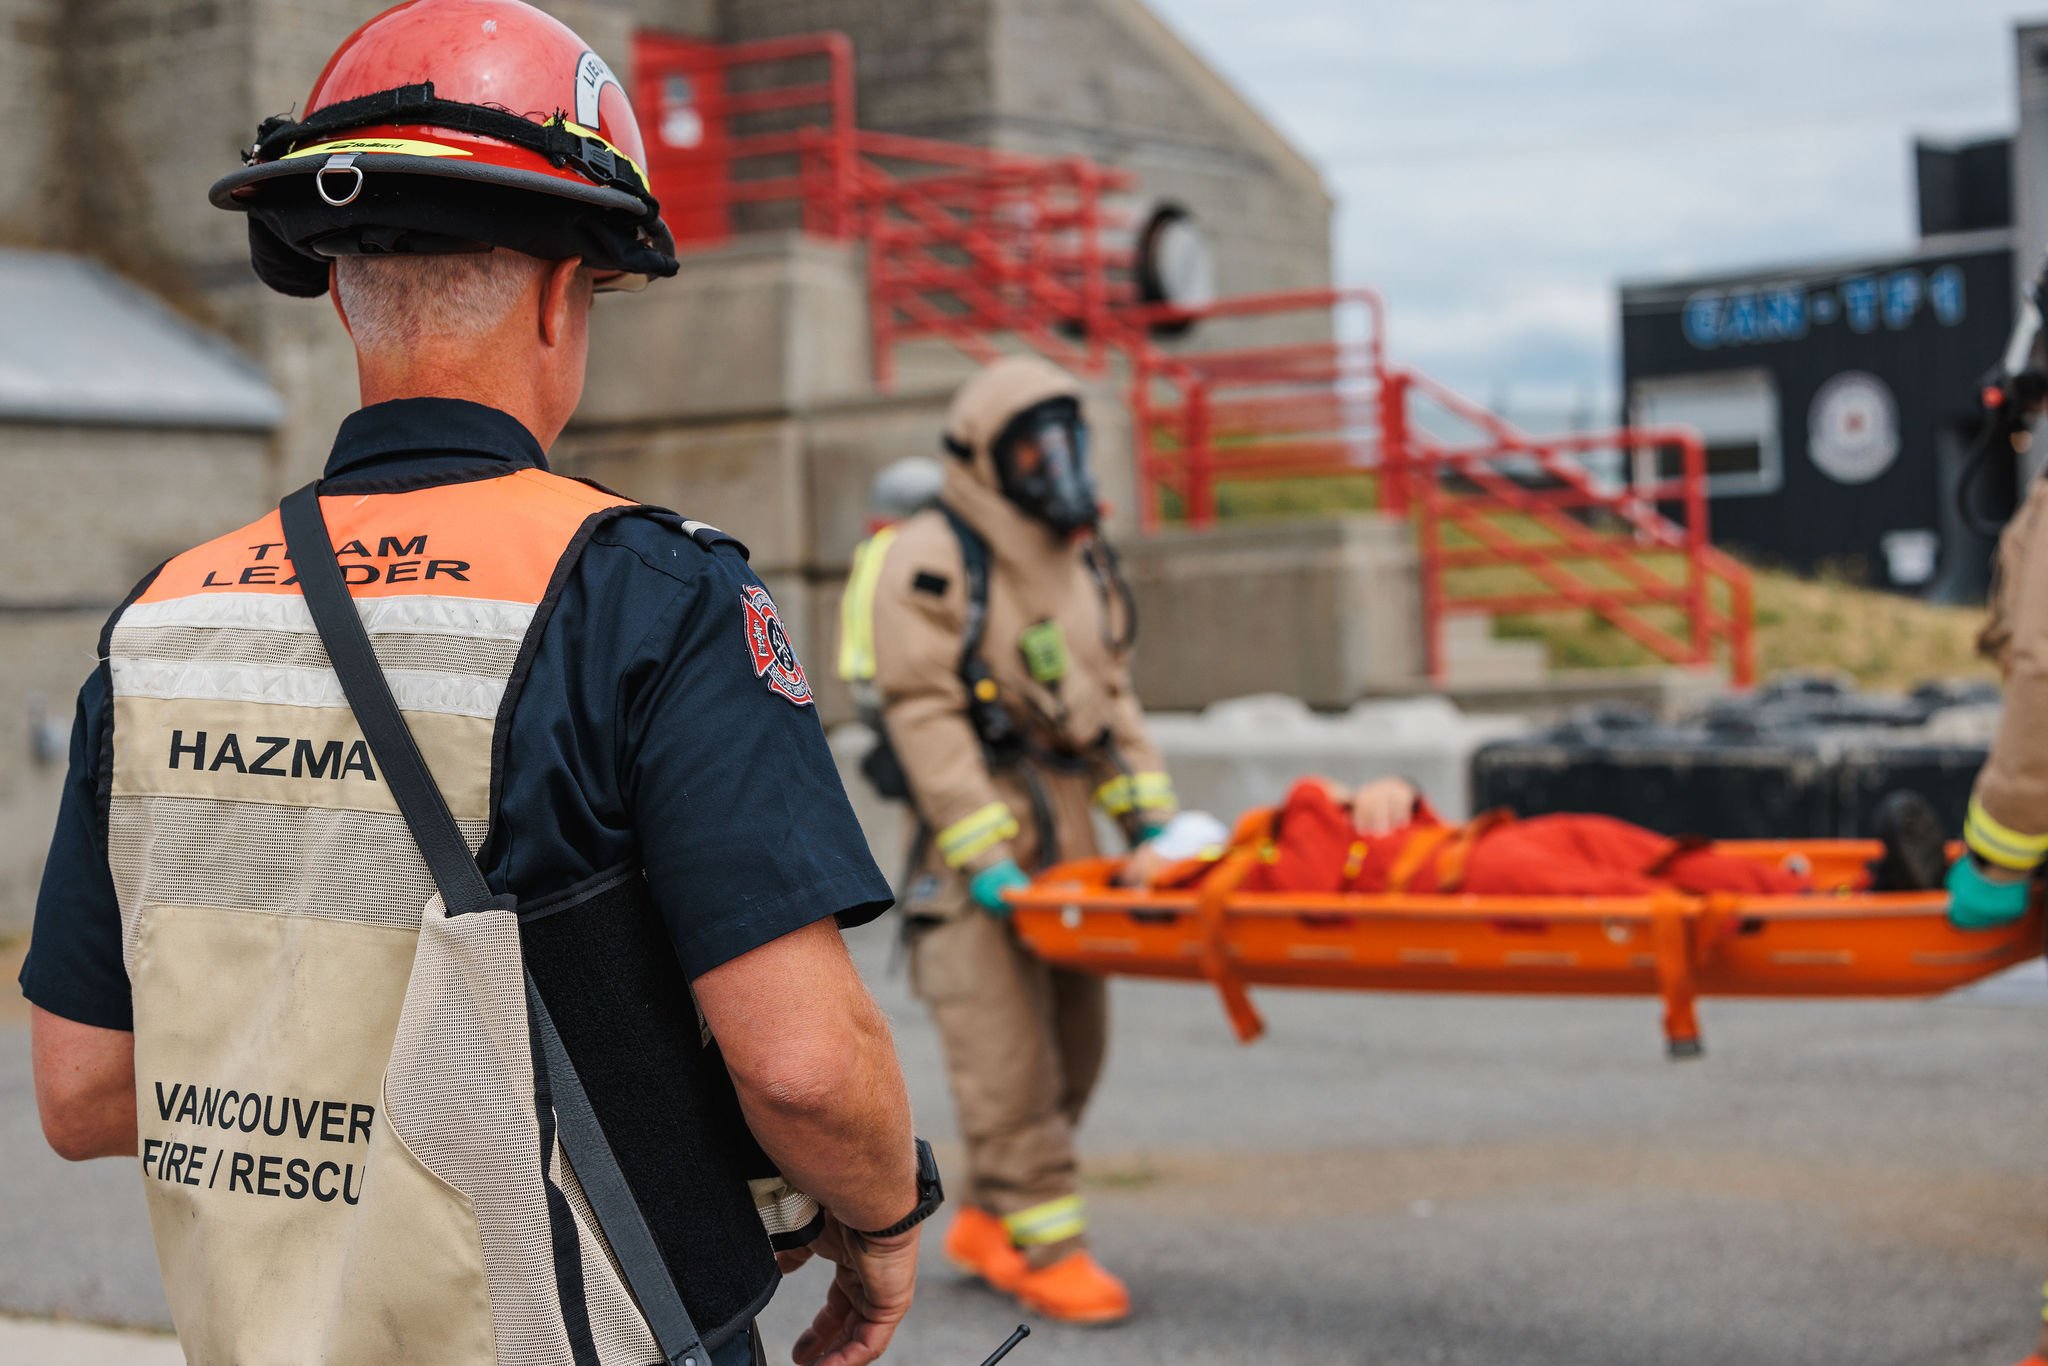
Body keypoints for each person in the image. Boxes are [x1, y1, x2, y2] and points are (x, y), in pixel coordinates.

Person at [21, 5, 934, 1364]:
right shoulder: (650, 596)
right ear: (566, 293)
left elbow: (86, 1089)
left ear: (337, 287)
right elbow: (802, 1067)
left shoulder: (166, 621)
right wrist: (882, 1227)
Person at [857, 354, 1171, 1324]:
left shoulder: (1076, 559)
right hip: (976, 847)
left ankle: (993, 1216)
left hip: (1072, 832)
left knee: (1077, 1048)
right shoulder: (932, 554)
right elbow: (922, 708)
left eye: (1064, 440)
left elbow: (1108, 695)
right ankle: (1044, 1240)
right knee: (1008, 1060)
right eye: (1032, 444)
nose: (1055, 461)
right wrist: (984, 853)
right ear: (983, 454)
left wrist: (1153, 820)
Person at [1126, 778, 1948, 899]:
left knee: (1639, 848)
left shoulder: (1285, 823)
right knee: (1634, 896)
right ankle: (1829, 902)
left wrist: (1386, 789)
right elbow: (1312, 889)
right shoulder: (1233, 880)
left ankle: (1802, 888)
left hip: (1477, 846)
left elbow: (1398, 813)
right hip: (1470, 874)